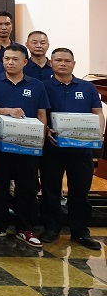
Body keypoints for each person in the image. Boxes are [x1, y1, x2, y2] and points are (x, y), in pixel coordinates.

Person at [0, 44, 48, 248]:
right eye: (6, 59)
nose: (10, 62)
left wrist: (41, 138)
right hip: (0, 144)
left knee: (27, 187)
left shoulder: (36, 85)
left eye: (14, 59)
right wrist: (7, 110)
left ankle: (26, 229)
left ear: (25, 62)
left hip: (28, 145)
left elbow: (41, 113)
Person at [39, 47, 104, 250]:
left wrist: (98, 132)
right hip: (53, 147)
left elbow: (97, 112)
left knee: (80, 190)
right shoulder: (43, 86)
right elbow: (39, 113)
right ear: (51, 63)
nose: (63, 64)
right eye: (58, 60)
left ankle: (80, 231)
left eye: (67, 61)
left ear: (74, 64)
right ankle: (51, 227)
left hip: (82, 149)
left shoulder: (87, 87)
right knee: (50, 189)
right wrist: (46, 130)